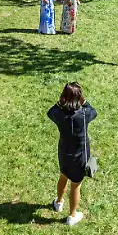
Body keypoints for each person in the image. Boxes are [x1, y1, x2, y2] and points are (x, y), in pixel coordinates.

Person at [47, 82, 97, 226]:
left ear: (63, 97)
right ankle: (72, 216)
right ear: (79, 97)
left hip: (64, 153)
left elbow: (50, 112)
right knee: (75, 186)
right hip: (80, 156)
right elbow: (94, 111)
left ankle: (59, 202)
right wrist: (84, 101)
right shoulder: (85, 114)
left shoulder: (59, 114)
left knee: (63, 177)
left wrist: (59, 102)